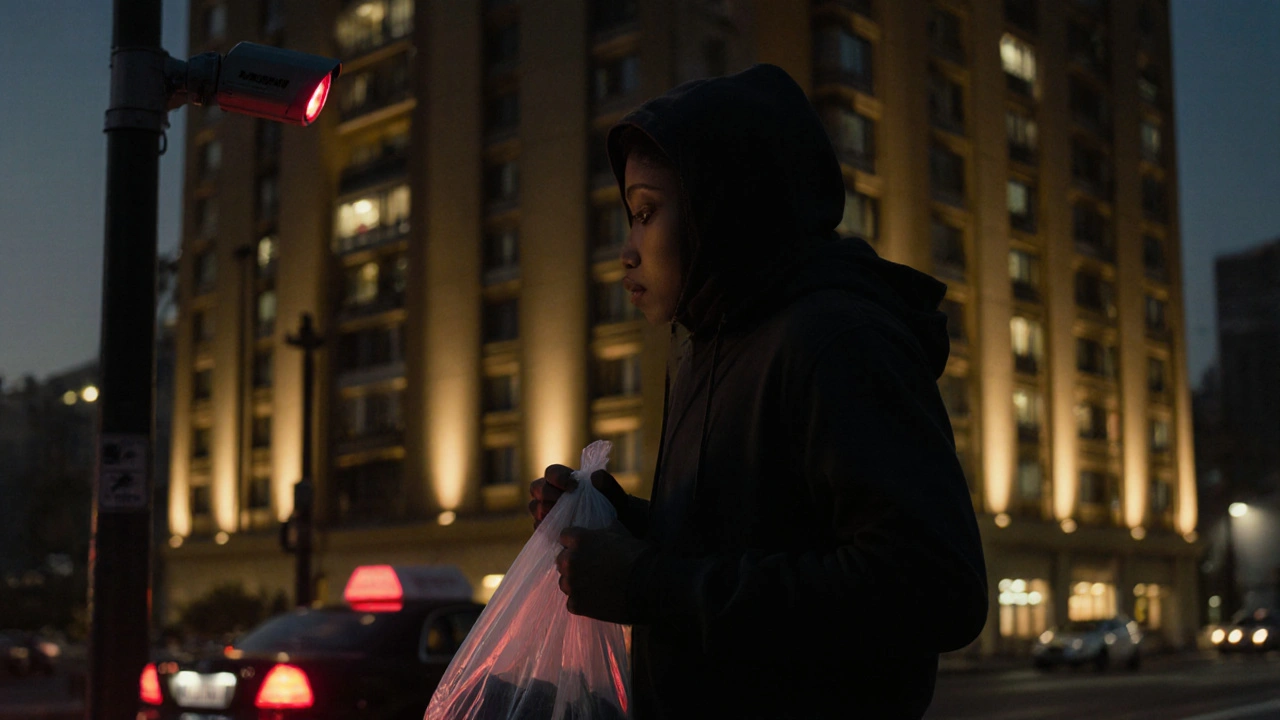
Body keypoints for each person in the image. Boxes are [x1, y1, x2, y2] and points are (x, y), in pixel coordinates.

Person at [529, 63, 988, 719]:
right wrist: (617, 522)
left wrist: (645, 583)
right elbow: (753, 539)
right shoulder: (704, 347)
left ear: (725, 205)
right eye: (630, 218)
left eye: (647, 213)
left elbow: (934, 586)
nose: (627, 252)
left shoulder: (835, 339)